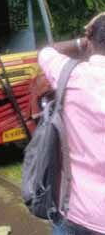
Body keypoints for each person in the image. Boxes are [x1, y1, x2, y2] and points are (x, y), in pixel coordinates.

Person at [38, 13, 105, 235]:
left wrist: (81, 41)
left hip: (74, 210)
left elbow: (46, 51)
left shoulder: (71, 76)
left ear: (90, 38)